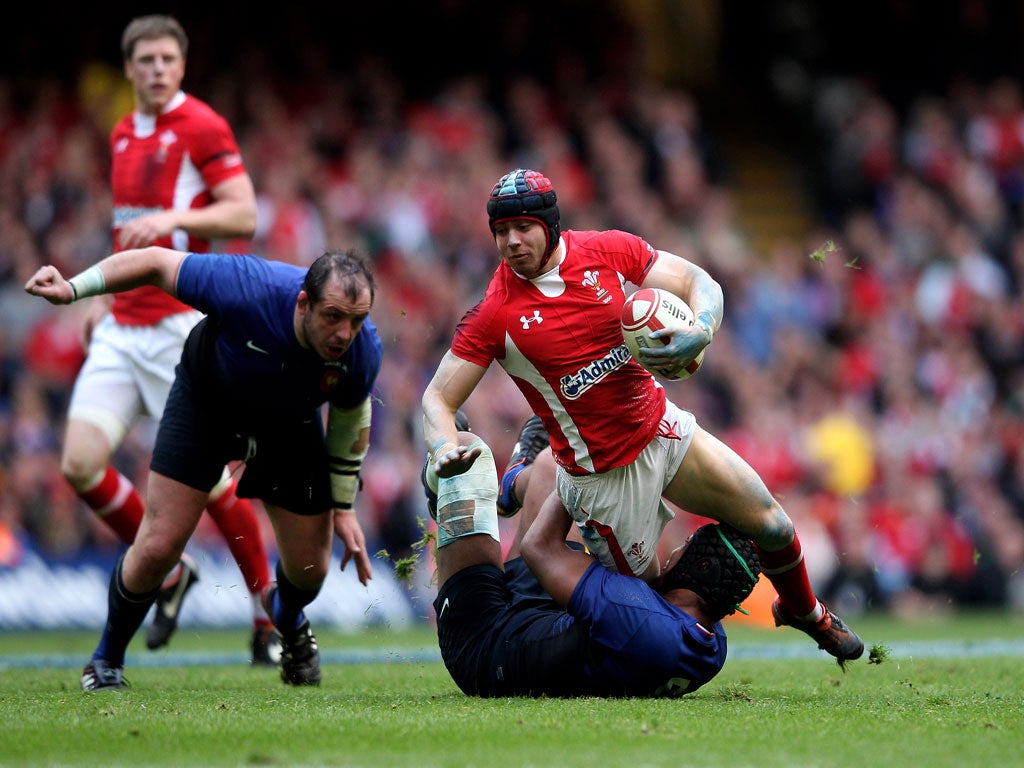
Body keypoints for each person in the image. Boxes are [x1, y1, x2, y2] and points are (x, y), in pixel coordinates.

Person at [421, 168, 864, 665]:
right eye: (500, 232)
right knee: (649, 610)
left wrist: (701, 328)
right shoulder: (496, 312)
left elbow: (699, 281)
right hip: (603, 481)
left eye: (522, 227)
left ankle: (806, 612)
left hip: (662, 428)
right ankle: (527, 478)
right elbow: (438, 398)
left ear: (549, 225)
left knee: (774, 525)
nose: (511, 241)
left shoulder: (607, 250)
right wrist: (442, 447)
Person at [25, 245, 381, 690]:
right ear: (303, 303)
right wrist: (74, 287)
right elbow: (154, 261)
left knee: (311, 572)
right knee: (158, 547)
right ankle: (105, 660)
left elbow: (349, 423)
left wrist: (344, 508)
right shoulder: (248, 287)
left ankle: (287, 620)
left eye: (356, 320)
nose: (344, 333)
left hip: (289, 424)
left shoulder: (363, 350)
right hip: (206, 406)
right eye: (333, 316)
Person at [61, 14, 278, 662]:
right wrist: (102, 296)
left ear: (181, 67)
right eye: (145, 60)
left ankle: (268, 618)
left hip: (179, 325)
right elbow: (127, 228)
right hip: (122, 326)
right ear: (128, 70)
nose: (156, 69)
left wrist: (174, 217)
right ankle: (171, 572)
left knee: (211, 483)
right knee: (78, 462)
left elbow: (244, 211)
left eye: (166, 59)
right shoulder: (124, 130)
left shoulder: (203, 126)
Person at [423, 427, 762, 697]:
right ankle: (514, 482)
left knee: (465, 450)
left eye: (686, 546)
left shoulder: (637, 615)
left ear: (703, 569)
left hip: (486, 647)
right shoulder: (712, 644)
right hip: (548, 619)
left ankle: (436, 487)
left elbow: (538, 548)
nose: (674, 552)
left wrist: (580, 472)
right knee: (548, 466)